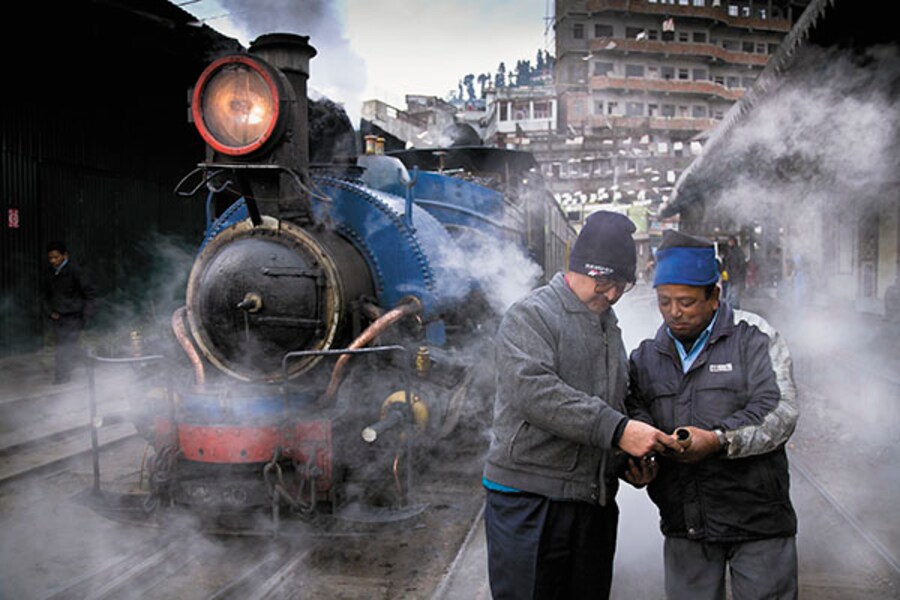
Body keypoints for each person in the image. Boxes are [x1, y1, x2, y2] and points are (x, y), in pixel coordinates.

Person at [482, 211, 683, 599]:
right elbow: (535, 393)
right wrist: (620, 431)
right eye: (604, 282)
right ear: (576, 269)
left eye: (620, 286)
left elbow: (618, 396)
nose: (610, 295)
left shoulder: (607, 324)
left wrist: (626, 461)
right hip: (531, 502)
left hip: (591, 501)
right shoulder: (531, 315)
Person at [626, 230, 800, 600]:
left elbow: (780, 411)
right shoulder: (644, 358)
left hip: (757, 522)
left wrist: (719, 440)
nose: (675, 312)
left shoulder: (754, 337)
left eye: (687, 302)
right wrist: (642, 460)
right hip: (685, 524)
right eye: (665, 301)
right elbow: (636, 416)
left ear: (714, 296)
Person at [42, 241, 96, 384]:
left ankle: (63, 378)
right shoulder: (50, 273)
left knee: (67, 347)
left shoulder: (75, 272)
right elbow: (46, 296)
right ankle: (64, 376)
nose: (53, 260)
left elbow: (89, 294)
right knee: (62, 347)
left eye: (56, 257)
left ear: (65, 256)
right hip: (59, 317)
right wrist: (50, 312)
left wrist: (85, 315)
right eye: (50, 258)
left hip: (75, 316)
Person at [722, 235, 746, 308]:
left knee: (733, 295)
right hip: (731, 276)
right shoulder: (730, 252)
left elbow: (741, 265)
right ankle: (731, 309)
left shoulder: (737, 252)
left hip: (735, 277)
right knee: (730, 295)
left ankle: (733, 309)